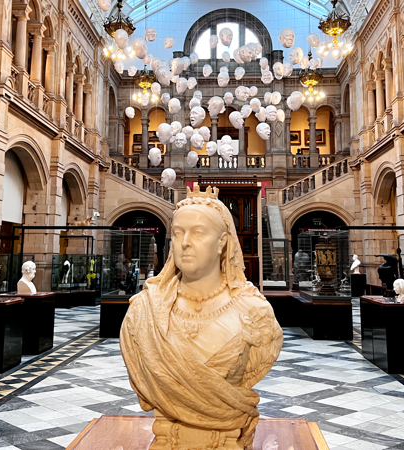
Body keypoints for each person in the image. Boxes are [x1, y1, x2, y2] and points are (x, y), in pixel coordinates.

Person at [120, 185, 283, 449]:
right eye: (178, 233)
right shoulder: (143, 311)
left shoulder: (255, 313)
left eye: (198, 233)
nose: (185, 242)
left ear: (222, 243)